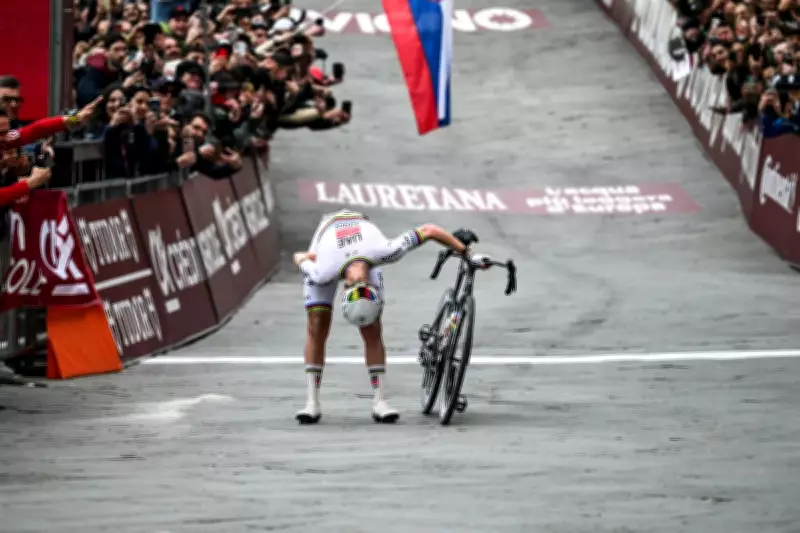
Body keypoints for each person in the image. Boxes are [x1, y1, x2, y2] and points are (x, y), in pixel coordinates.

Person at [291, 209, 492, 424]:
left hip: (353, 239)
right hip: (328, 235)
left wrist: (466, 253)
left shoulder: (382, 252)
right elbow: (430, 230)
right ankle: (312, 402)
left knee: (371, 328)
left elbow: (431, 230)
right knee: (317, 324)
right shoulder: (323, 271)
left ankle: (380, 401)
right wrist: (468, 254)